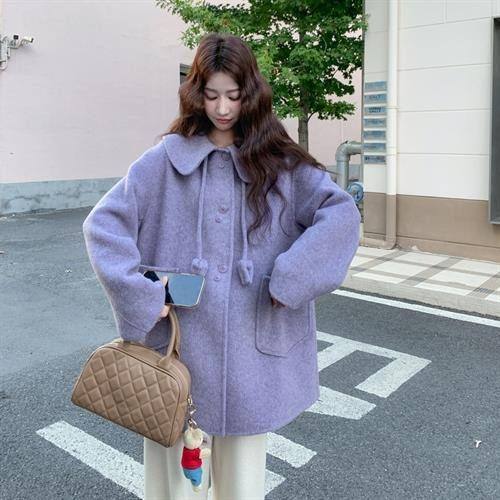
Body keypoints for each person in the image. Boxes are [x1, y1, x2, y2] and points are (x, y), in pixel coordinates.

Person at [82, 32, 361, 500]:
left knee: (242, 488)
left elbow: (341, 215)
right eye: (211, 95)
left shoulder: (280, 164)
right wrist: (143, 291)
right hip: (177, 356)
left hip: (254, 353)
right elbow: (103, 226)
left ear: (251, 93)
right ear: (197, 94)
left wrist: (291, 278)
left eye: (233, 95)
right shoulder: (164, 162)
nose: (223, 108)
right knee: (173, 490)